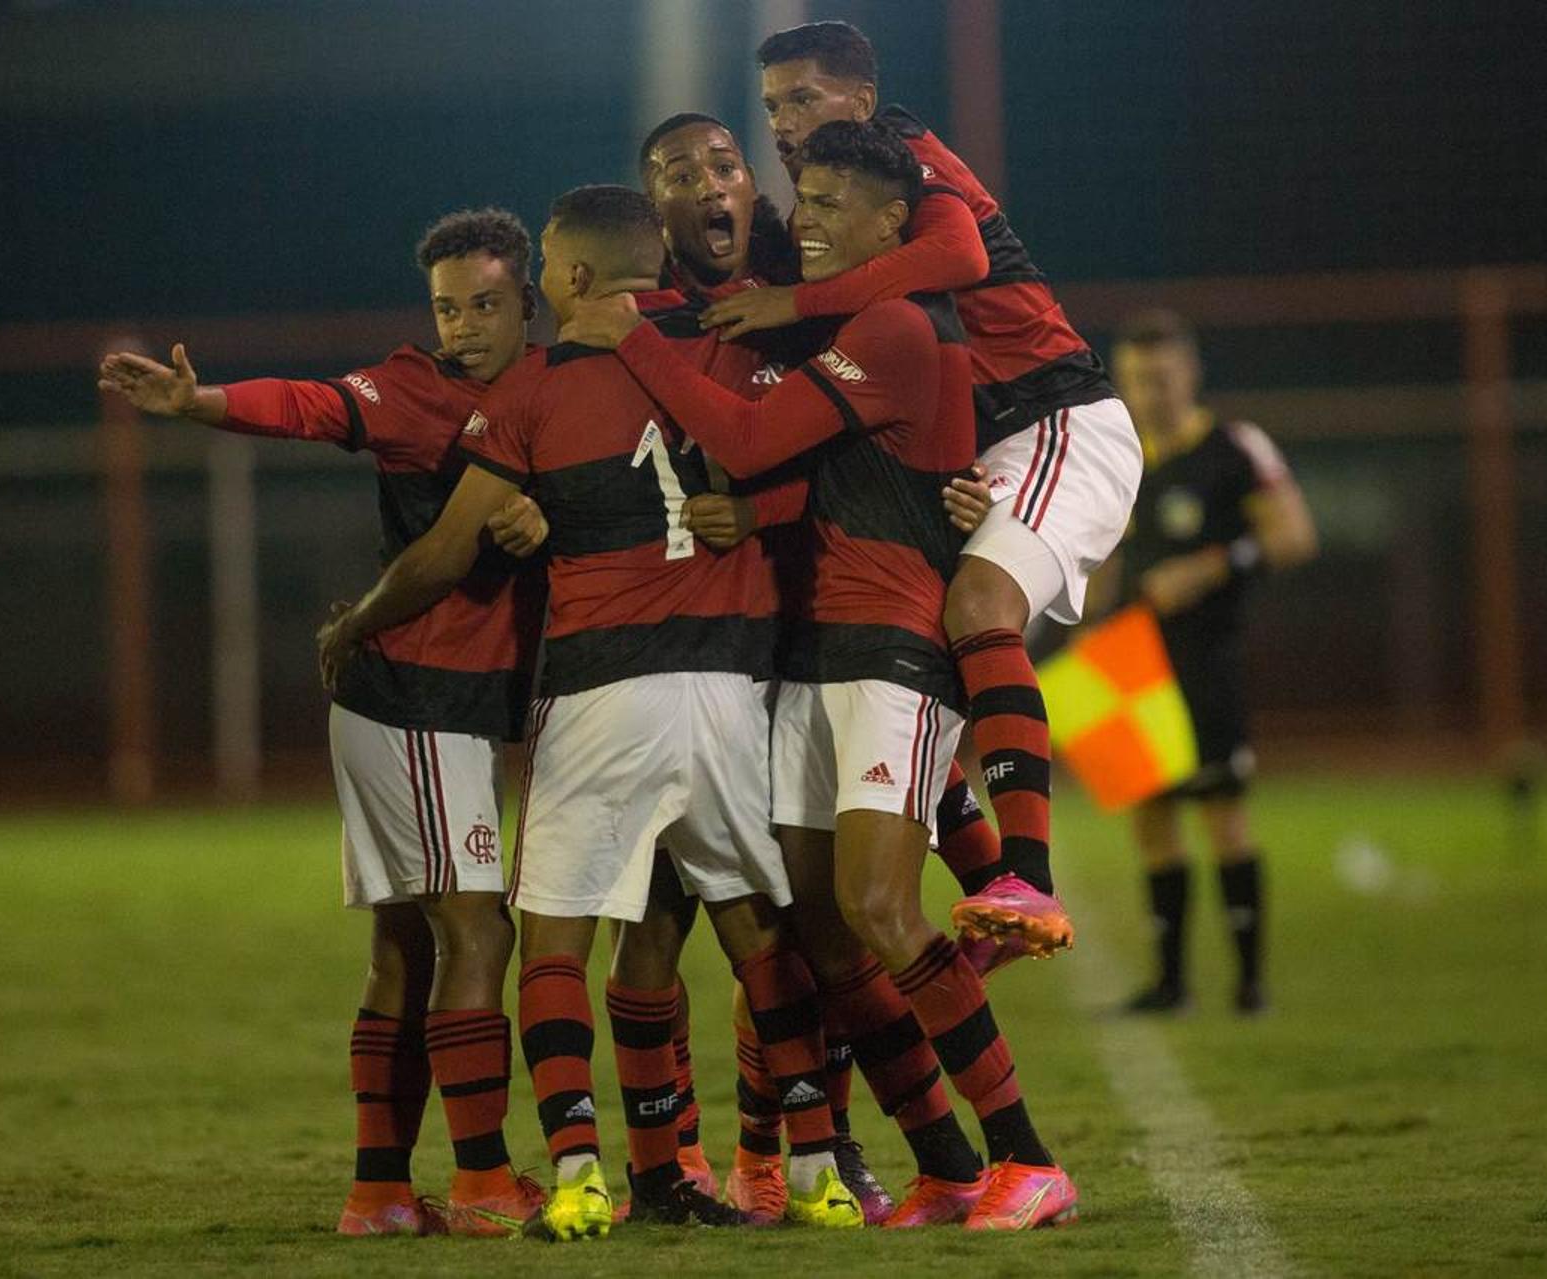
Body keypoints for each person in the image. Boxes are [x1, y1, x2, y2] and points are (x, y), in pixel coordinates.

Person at [317, 185, 864, 1239]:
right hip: (729, 689)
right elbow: (824, 475)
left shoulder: (535, 391)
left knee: (553, 939)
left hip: (604, 688)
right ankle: (813, 1171)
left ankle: (573, 1169)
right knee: (761, 934)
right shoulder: (732, 356)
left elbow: (448, 548)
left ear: (566, 278)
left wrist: (361, 618)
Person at [567, 120, 1079, 1231]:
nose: (807, 218)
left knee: (881, 906)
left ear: (895, 223)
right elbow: (811, 468)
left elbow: (756, 440)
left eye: (834, 202)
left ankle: (1024, 1153)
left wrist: (634, 345)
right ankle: (942, 1164)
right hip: (801, 653)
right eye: (807, 199)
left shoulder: (892, 320)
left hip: (886, 646)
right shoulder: (838, 313)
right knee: (825, 929)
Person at [97, 210, 552, 1236]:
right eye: (447, 307)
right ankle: (483, 1183)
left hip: (429, 704)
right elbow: (307, 404)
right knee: (477, 927)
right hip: (419, 696)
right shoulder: (414, 389)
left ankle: (379, 1194)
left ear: (530, 301)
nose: (465, 326)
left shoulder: (555, 389)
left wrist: (541, 523)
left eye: (485, 304)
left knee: (406, 945)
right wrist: (198, 401)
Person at [703, 20, 1144, 966]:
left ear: (860, 102)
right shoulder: (824, 211)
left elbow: (962, 261)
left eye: (805, 98)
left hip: (1057, 415)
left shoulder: (902, 156)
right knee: (913, 668)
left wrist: (794, 303)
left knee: (977, 605)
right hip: (980, 453)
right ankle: (993, 887)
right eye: (774, 104)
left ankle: (1028, 873)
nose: (784, 120)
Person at [1088, 310, 1317, 1015]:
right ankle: (1171, 982)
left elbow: (1294, 535)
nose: (1148, 391)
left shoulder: (1234, 446)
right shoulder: (1113, 458)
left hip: (1207, 655)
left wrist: (1213, 565)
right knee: (1151, 821)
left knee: (1224, 814)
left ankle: (1250, 981)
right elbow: (1095, 577)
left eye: (1159, 375)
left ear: (1191, 372)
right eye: (1134, 379)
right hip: (1127, 659)